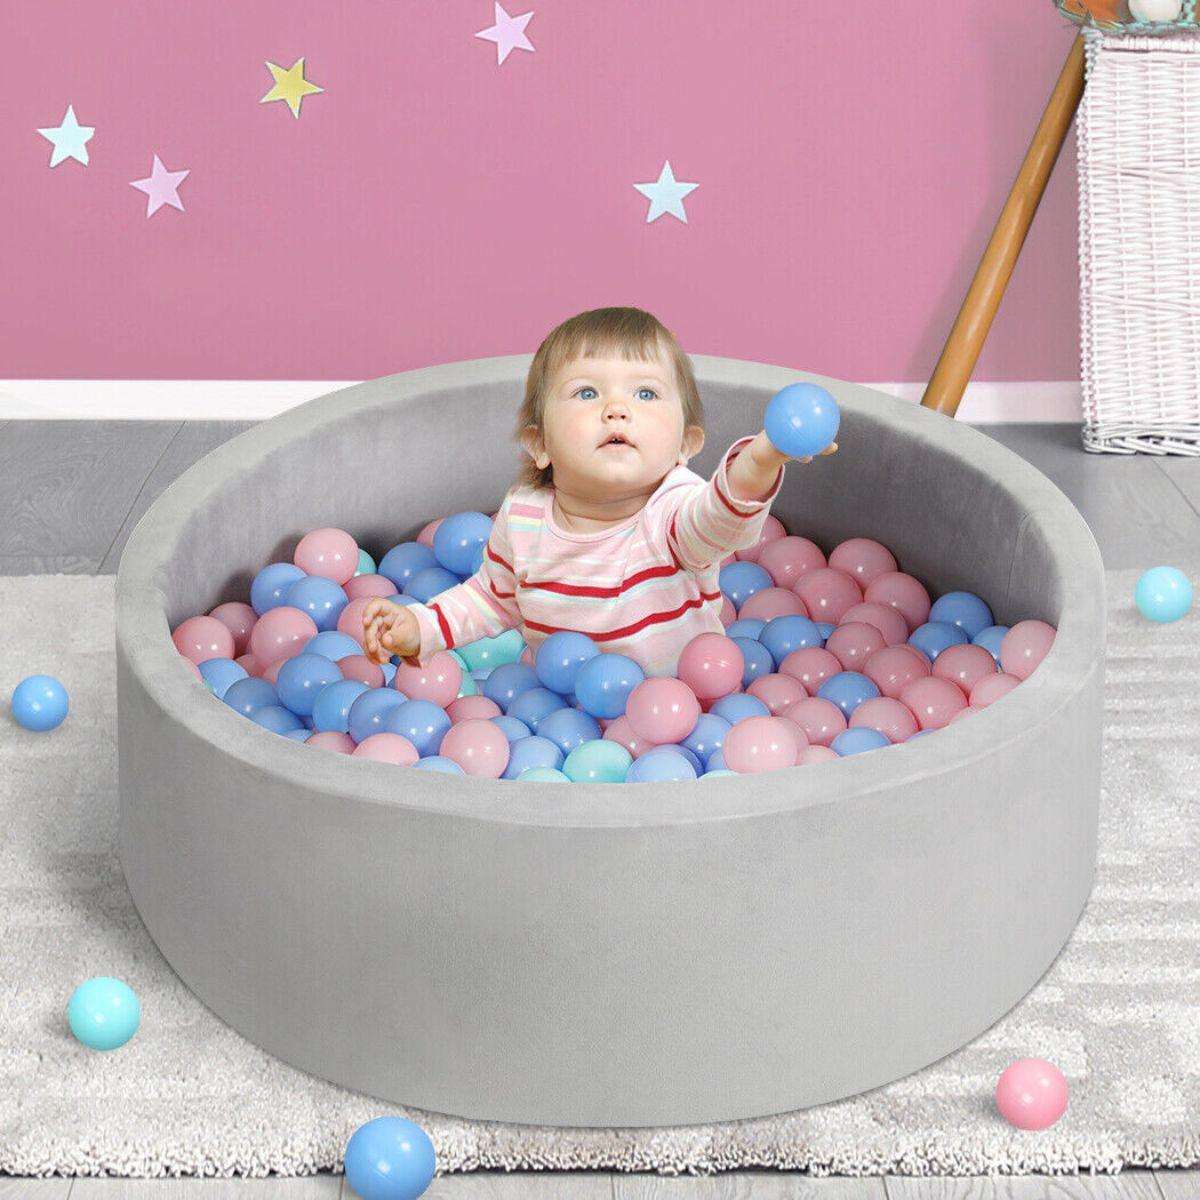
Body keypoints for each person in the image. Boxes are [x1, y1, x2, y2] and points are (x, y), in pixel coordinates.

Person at [363, 306, 835, 677]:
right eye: (587, 393)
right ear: (540, 444)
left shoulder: (672, 509)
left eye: (645, 394)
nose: (616, 409)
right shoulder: (524, 514)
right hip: (554, 709)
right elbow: (492, 598)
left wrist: (761, 459)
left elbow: (720, 516)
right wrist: (420, 628)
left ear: (685, 447)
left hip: (679, 709)